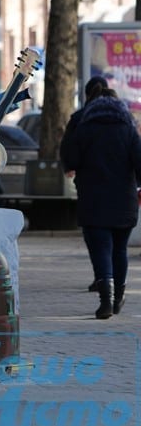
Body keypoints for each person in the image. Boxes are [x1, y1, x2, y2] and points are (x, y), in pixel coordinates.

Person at [62, 84, 141, 319]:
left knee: (101, 249)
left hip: (93, 198)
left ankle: (105, 300)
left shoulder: (84, 128)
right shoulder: (128, 129)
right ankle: (118, 298)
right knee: (119, 250)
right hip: (123, 200)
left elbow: (70, 158)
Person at [60, 76, 109, 292]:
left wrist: (70, 166)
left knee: (93, 231)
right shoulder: (122, 117)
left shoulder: (80, 118)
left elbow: (68, 147)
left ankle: (102, 276)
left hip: (88, 183)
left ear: (87, 94)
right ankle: (112, 278)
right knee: (114, 233)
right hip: (119, 186)